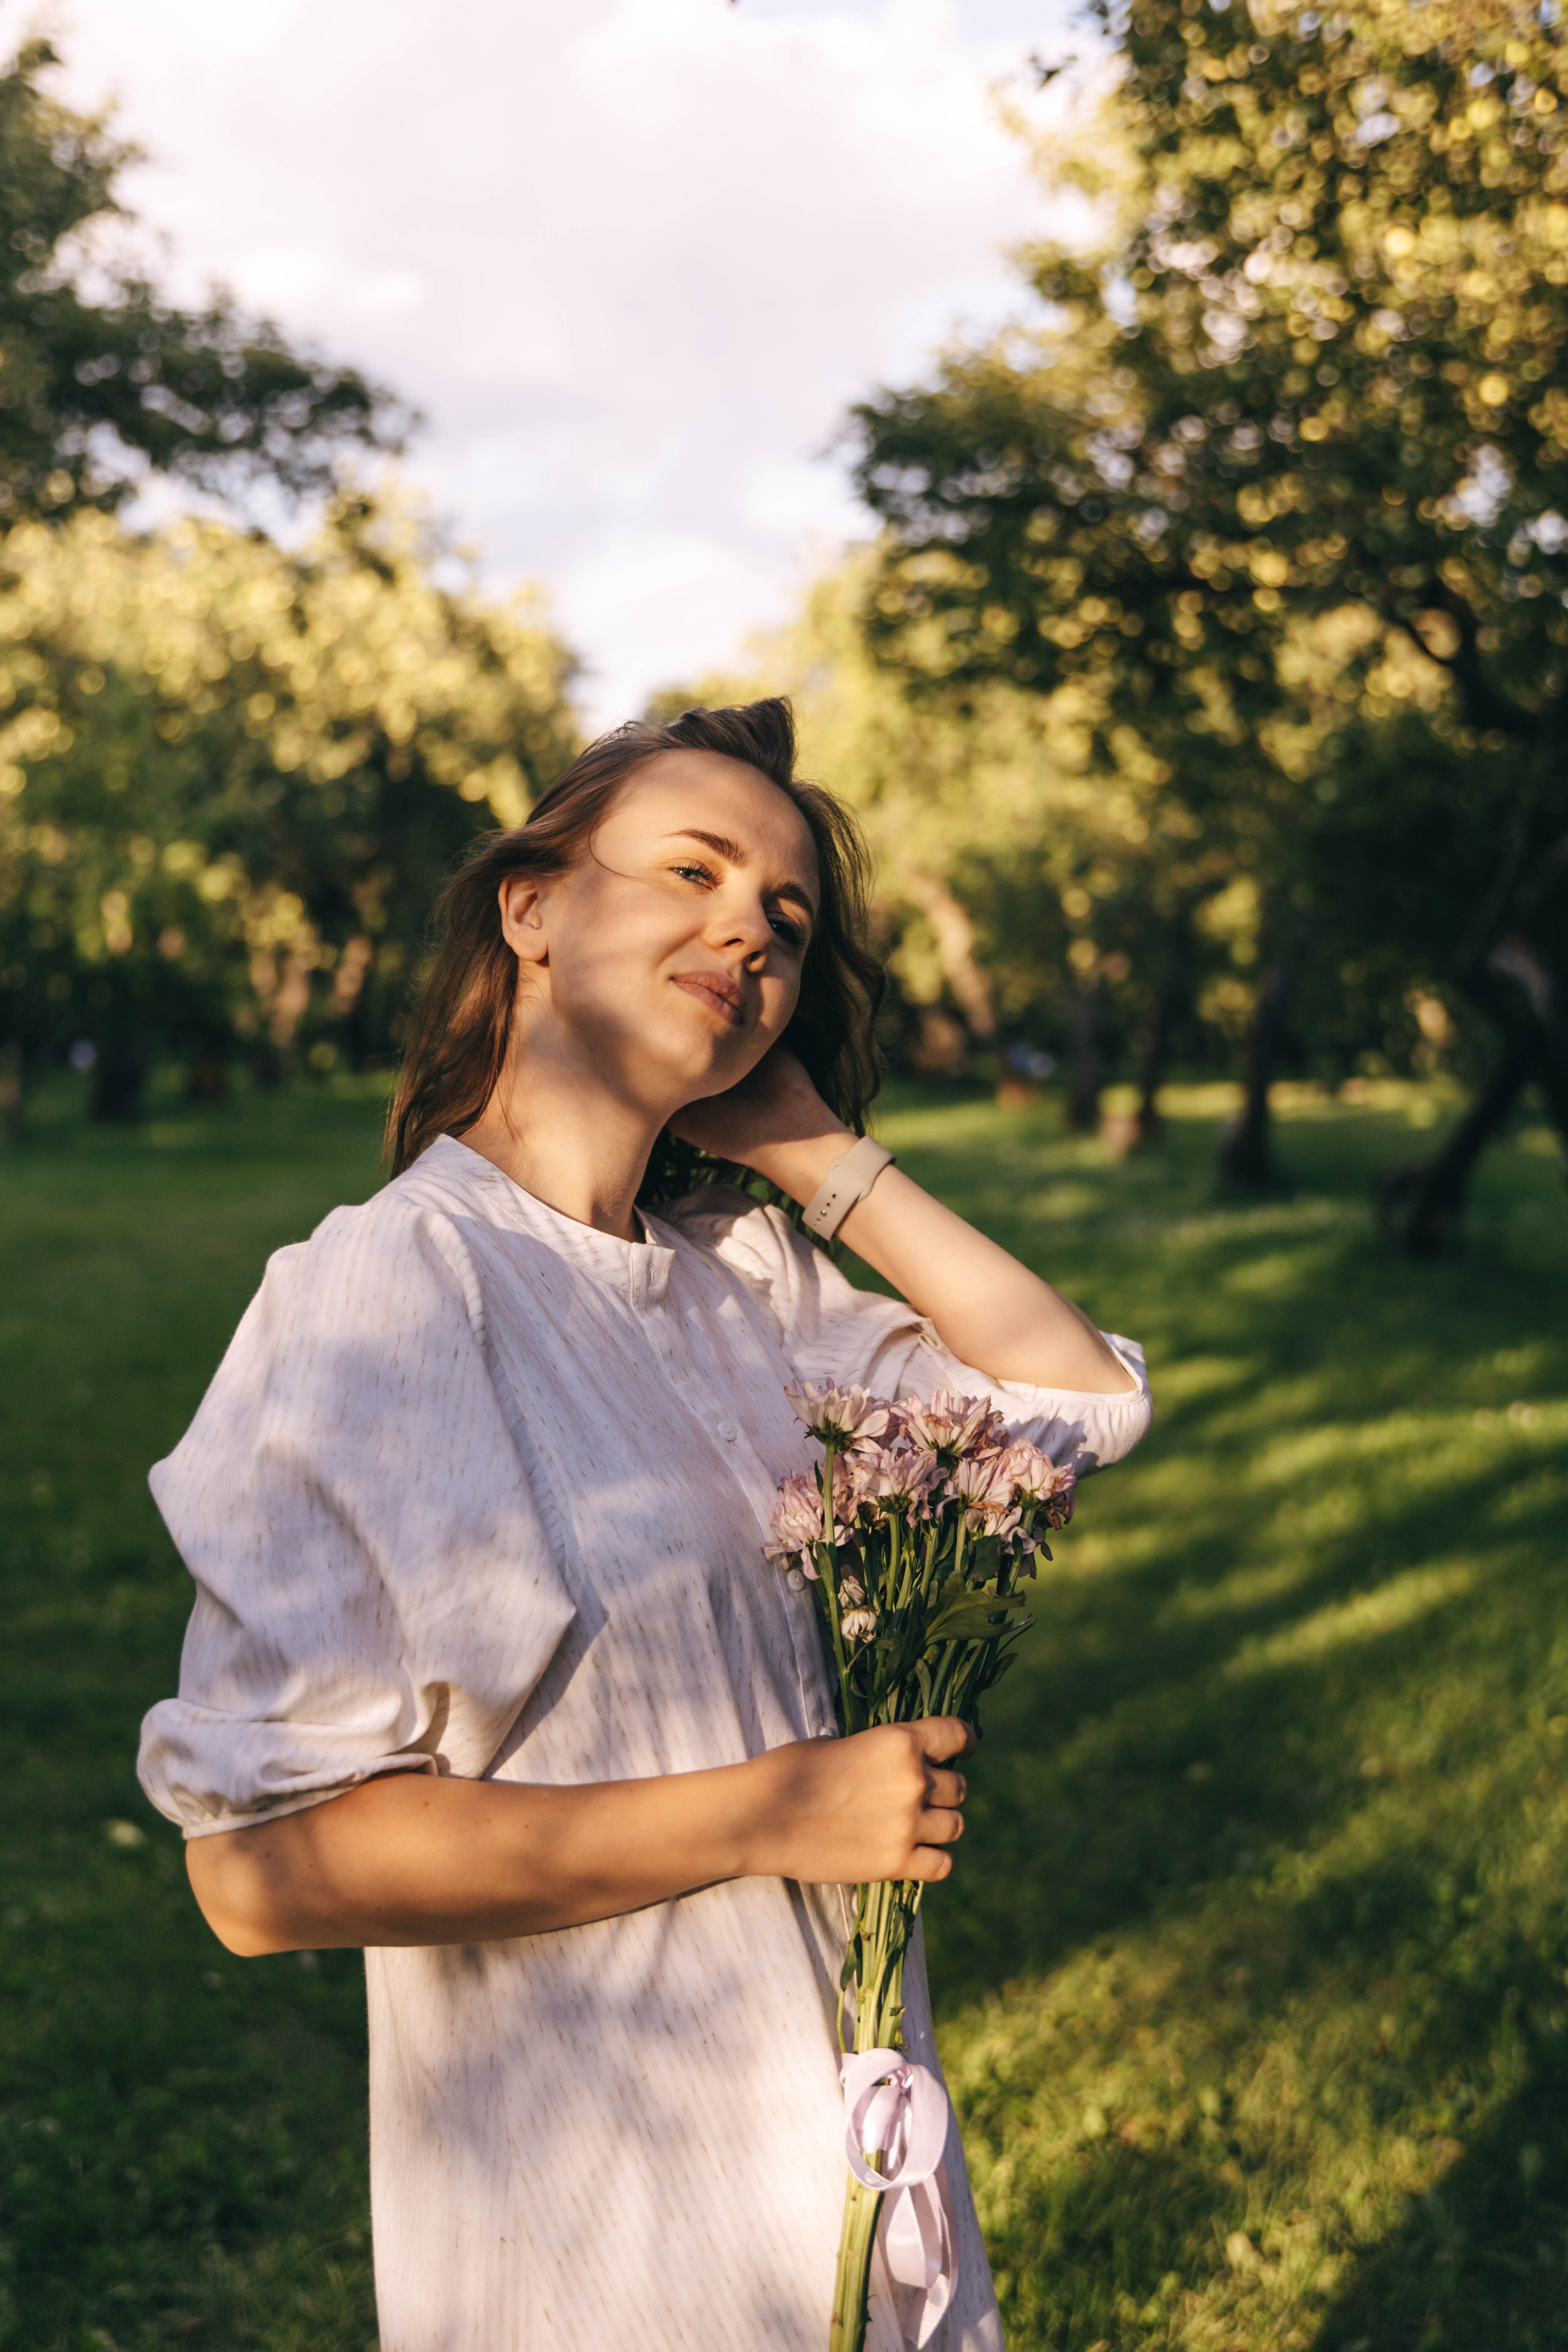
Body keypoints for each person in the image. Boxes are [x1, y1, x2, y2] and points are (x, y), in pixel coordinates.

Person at [137, 698, 1152, 2352]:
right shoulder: (393, 1294)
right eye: (692, 867)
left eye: (788, 917)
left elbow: (1082, 1403)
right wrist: (775, 1811)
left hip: (833, 2170)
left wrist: (815, 1153)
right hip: (602, 2229)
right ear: (530, 907)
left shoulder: (745, 1284)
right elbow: (258, 1873)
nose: (747, 922)